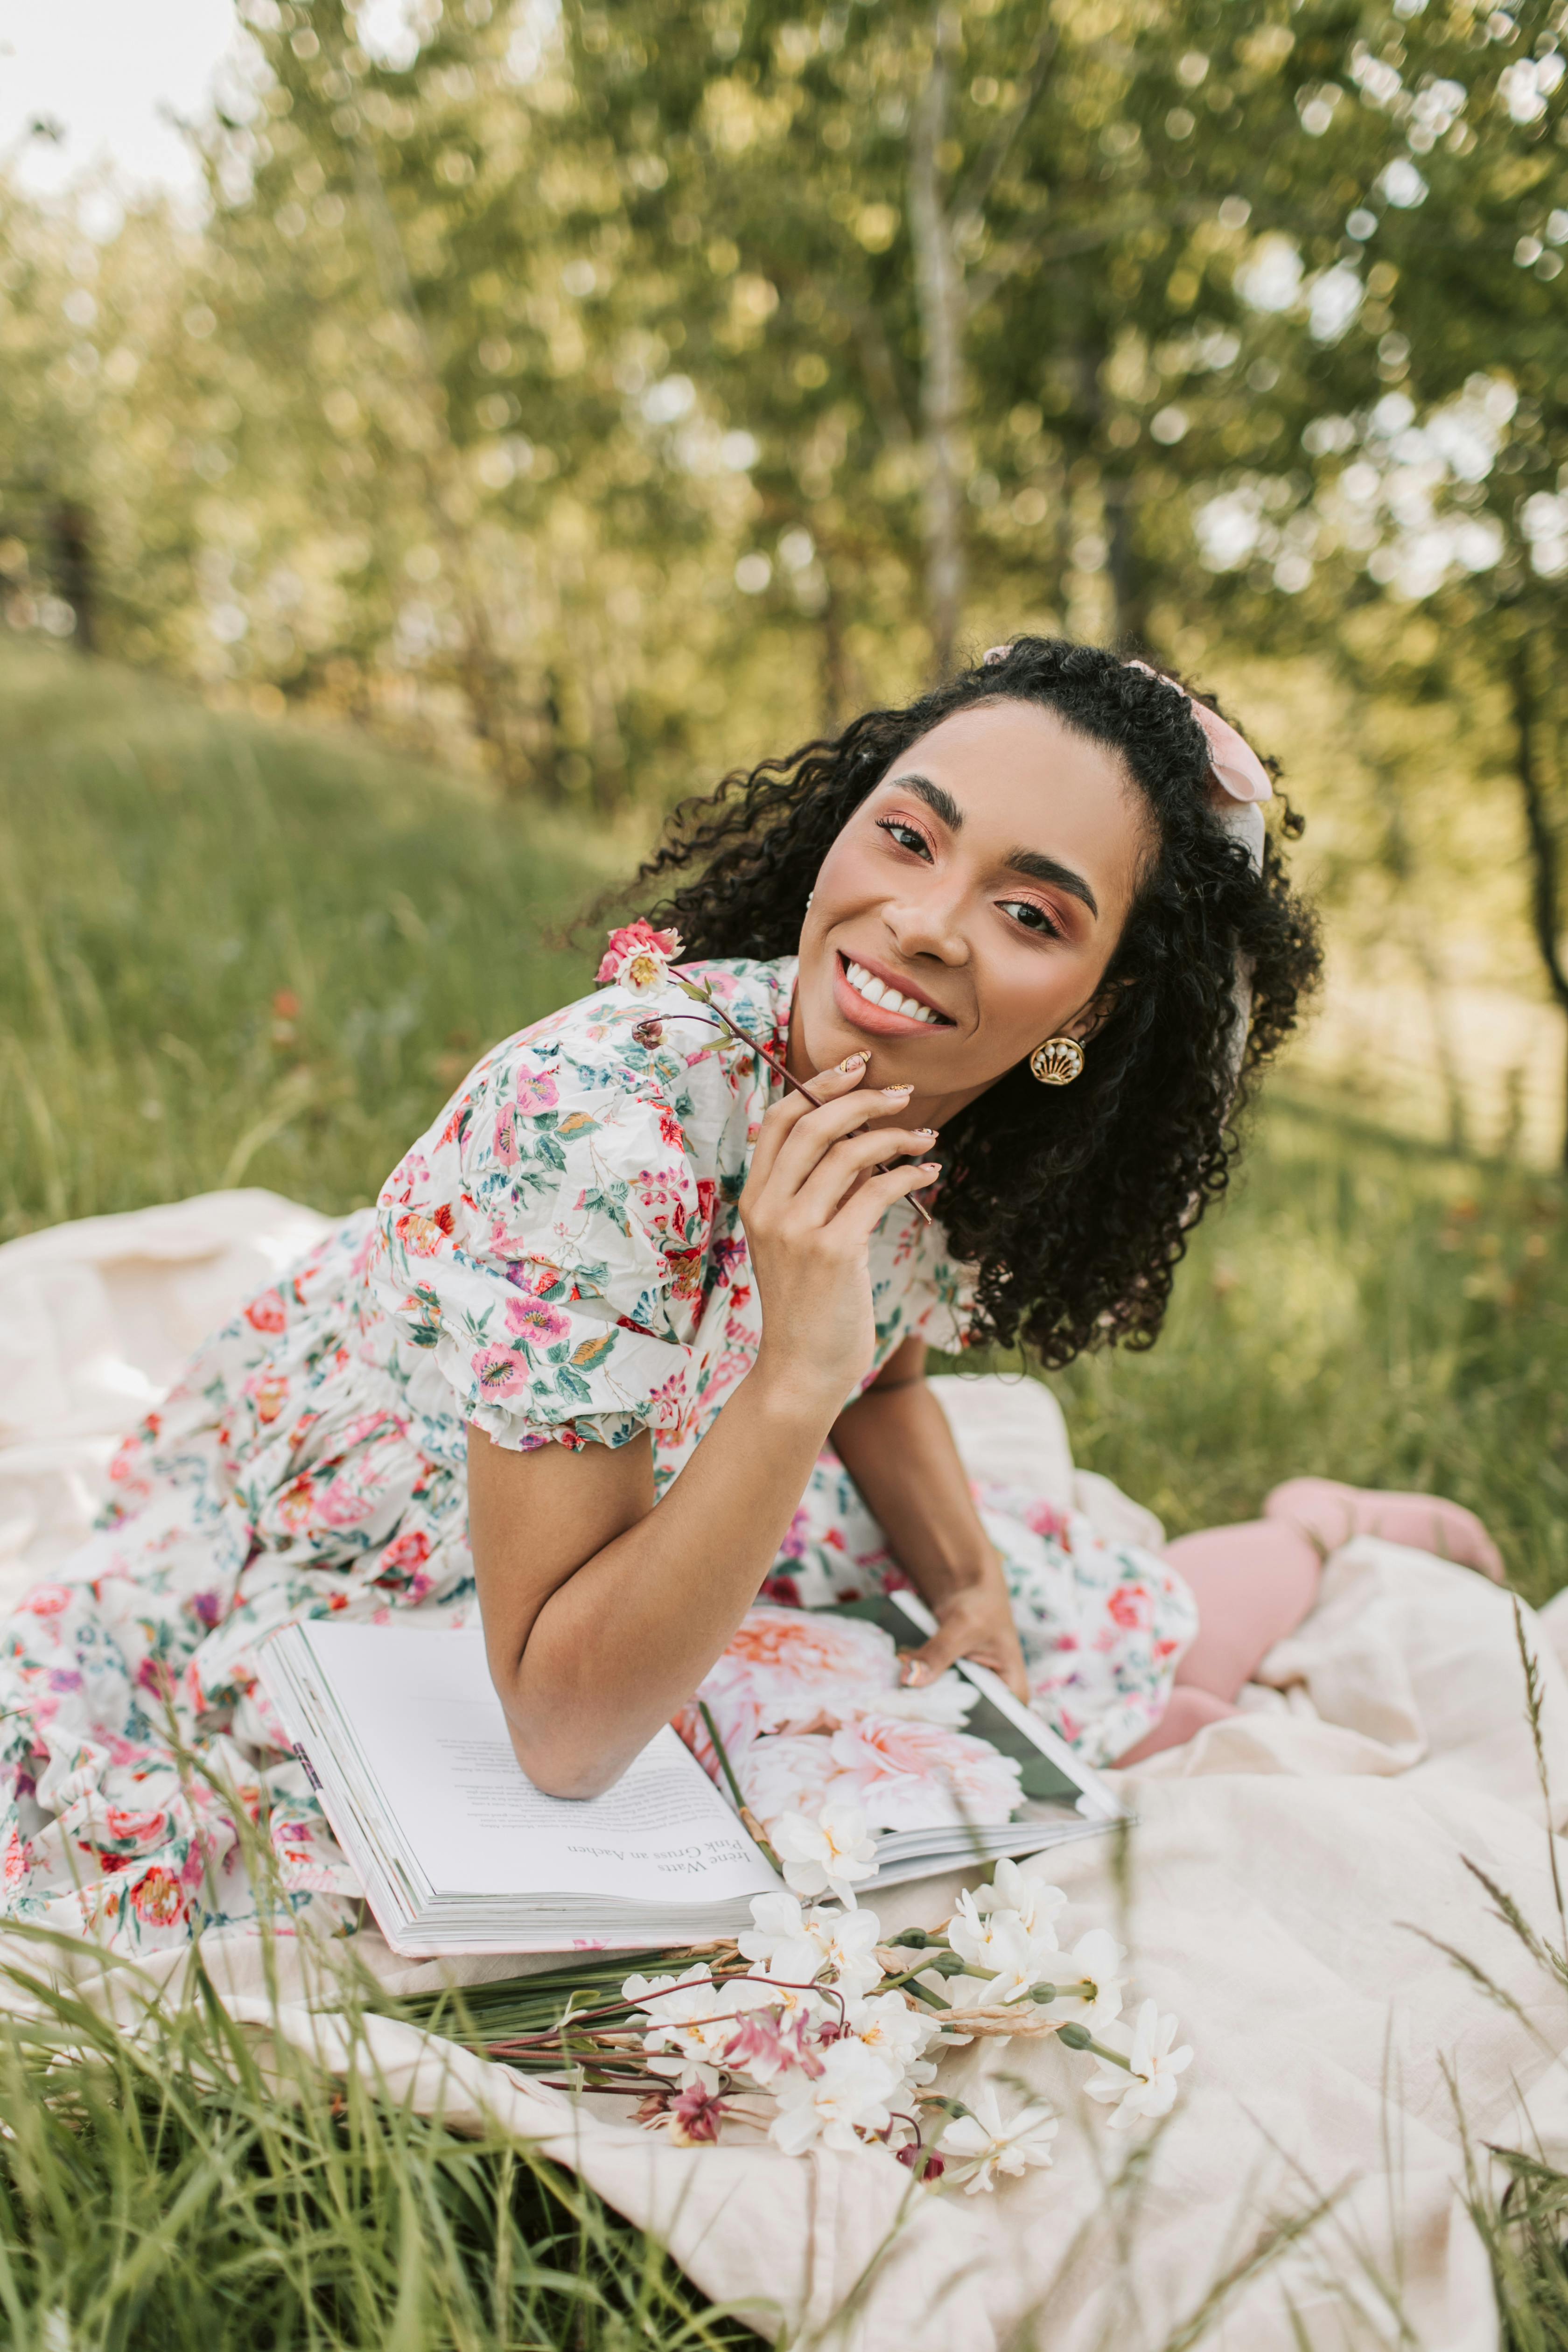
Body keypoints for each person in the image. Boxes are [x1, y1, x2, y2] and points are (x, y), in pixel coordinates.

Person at [0, 639, 1498, 1953]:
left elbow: (888, 1381)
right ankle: (1314, 1533)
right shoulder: (601, 1126)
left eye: (1031, 916)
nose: (926, 922)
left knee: (1052, 1650)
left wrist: (964, 1579)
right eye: (910, 838)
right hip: (400, 1595)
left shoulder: (926, 1115)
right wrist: (793, 1374)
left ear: (1093, 1013)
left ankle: (1318, 1530)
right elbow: (564, 1734)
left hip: (670, 1516)